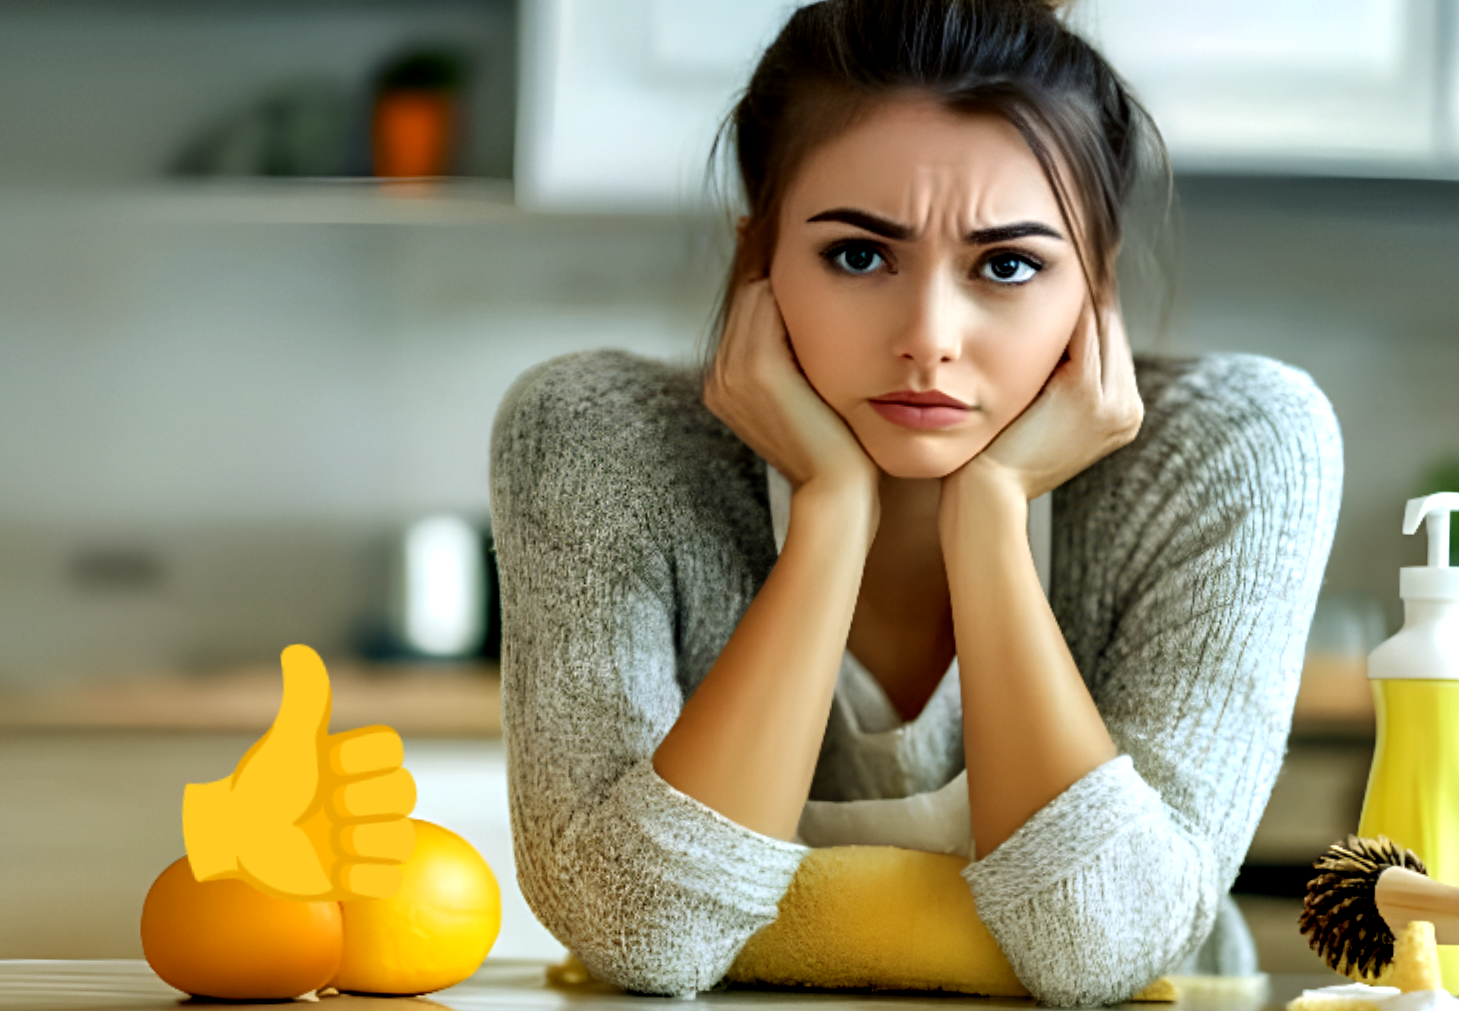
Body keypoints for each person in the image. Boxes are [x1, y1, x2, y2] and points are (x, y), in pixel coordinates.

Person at [489, 0, 1343, 1005]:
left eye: (1009, 265)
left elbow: (1104, 949)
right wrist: (831, 520)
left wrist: (990, 514)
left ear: (1093, 288)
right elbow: (646, 933)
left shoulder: (1231, 445)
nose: (929, 336)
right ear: (754, 260)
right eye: (859, 255)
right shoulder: (599, 438)